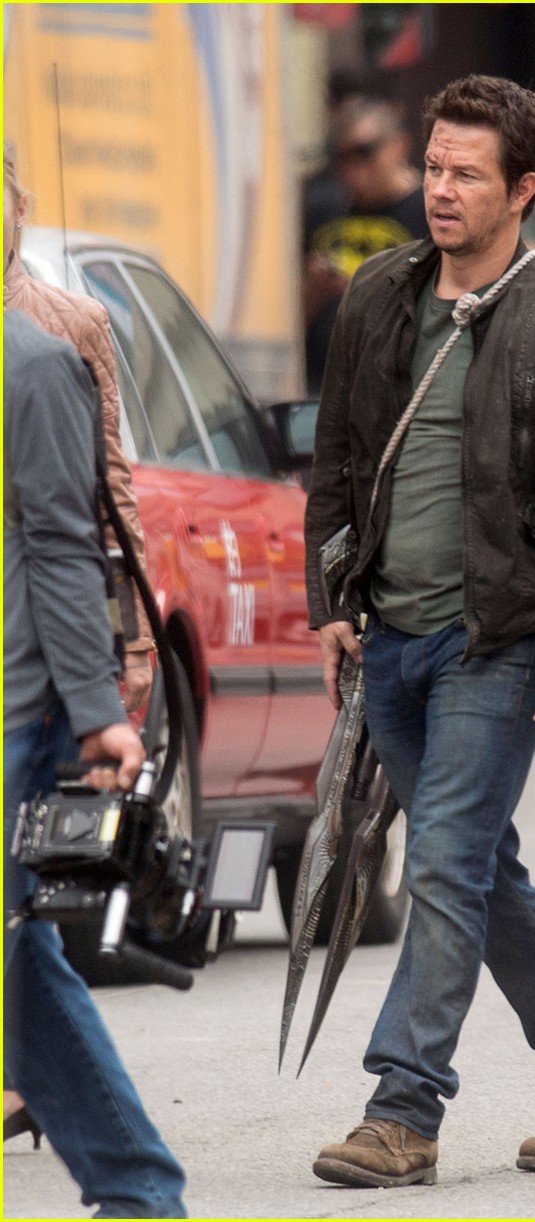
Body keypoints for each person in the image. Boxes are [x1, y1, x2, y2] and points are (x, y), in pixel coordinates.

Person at [304, 74, 535, 1189]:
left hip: (496, 644)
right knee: (479, 870)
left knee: (446, 865)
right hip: (392, 637)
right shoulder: (377, 293)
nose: (440, 189)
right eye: (433, 166)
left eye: (466, 173)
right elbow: (336, 459)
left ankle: (401, 1110)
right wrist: (330, 603)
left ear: (523, 189)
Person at [4, 306, 189, 1217]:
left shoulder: (31, 365)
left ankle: (138, 1191)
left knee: (19, 964)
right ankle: (137, 1191)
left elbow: (62, 543)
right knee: (20, 966)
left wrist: (94, 712)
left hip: (11, 711)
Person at [3, 140, 156, 1144]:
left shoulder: (57, 337)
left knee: (24, 931)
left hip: (27, 677)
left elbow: (100, 503)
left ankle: (131, 1176)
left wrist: (121, 657)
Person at [302, 95, 428, 393]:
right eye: (342, 158)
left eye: (365, 153)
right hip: (326, 383)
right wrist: (314, 289)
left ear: (399, 146)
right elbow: (289, 323)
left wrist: (366, 289)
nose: (354, 171)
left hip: (398, 385)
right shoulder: (322, 209)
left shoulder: (433, 212)